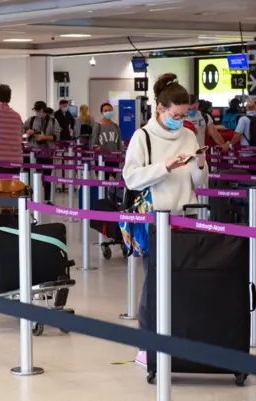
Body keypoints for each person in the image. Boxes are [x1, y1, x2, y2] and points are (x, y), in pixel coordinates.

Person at [122, 73, 208, 367]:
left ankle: (182, 339)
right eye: (176, 114)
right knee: (155, 283)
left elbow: (200, 182)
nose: (181, 120)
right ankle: (147, 345)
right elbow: (131, 178)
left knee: (186, 281)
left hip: (187, 215)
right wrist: (165, 167)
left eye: (186, 114)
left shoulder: (188, 134)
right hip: (155, 219)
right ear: (160, 108)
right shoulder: (142, 136)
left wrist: (200, 163)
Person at [24, 101, 60, 203]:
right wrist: (27, 131)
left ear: (44, 110)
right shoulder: (31, 120)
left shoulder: (53, 121)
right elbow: (23, 128)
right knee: (30, 176)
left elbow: (57, 136)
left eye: (39, 110)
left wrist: (45, 137)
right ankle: (30, 198)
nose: (37, 112)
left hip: (46, 153)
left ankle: (47, 199)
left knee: (47, 177)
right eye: (36, 110)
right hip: (32, 152)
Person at [90, 102, 123, 179]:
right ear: (101, 112)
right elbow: (93, 143)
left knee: (114, 184)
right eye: (105, 110)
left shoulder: (116, 126)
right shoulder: (98, 126)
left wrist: (120, 157)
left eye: (110, 110)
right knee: (103, 183)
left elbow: (119, 143)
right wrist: (96, 148)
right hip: (102, 159)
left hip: (114, 159)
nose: (108, 112)